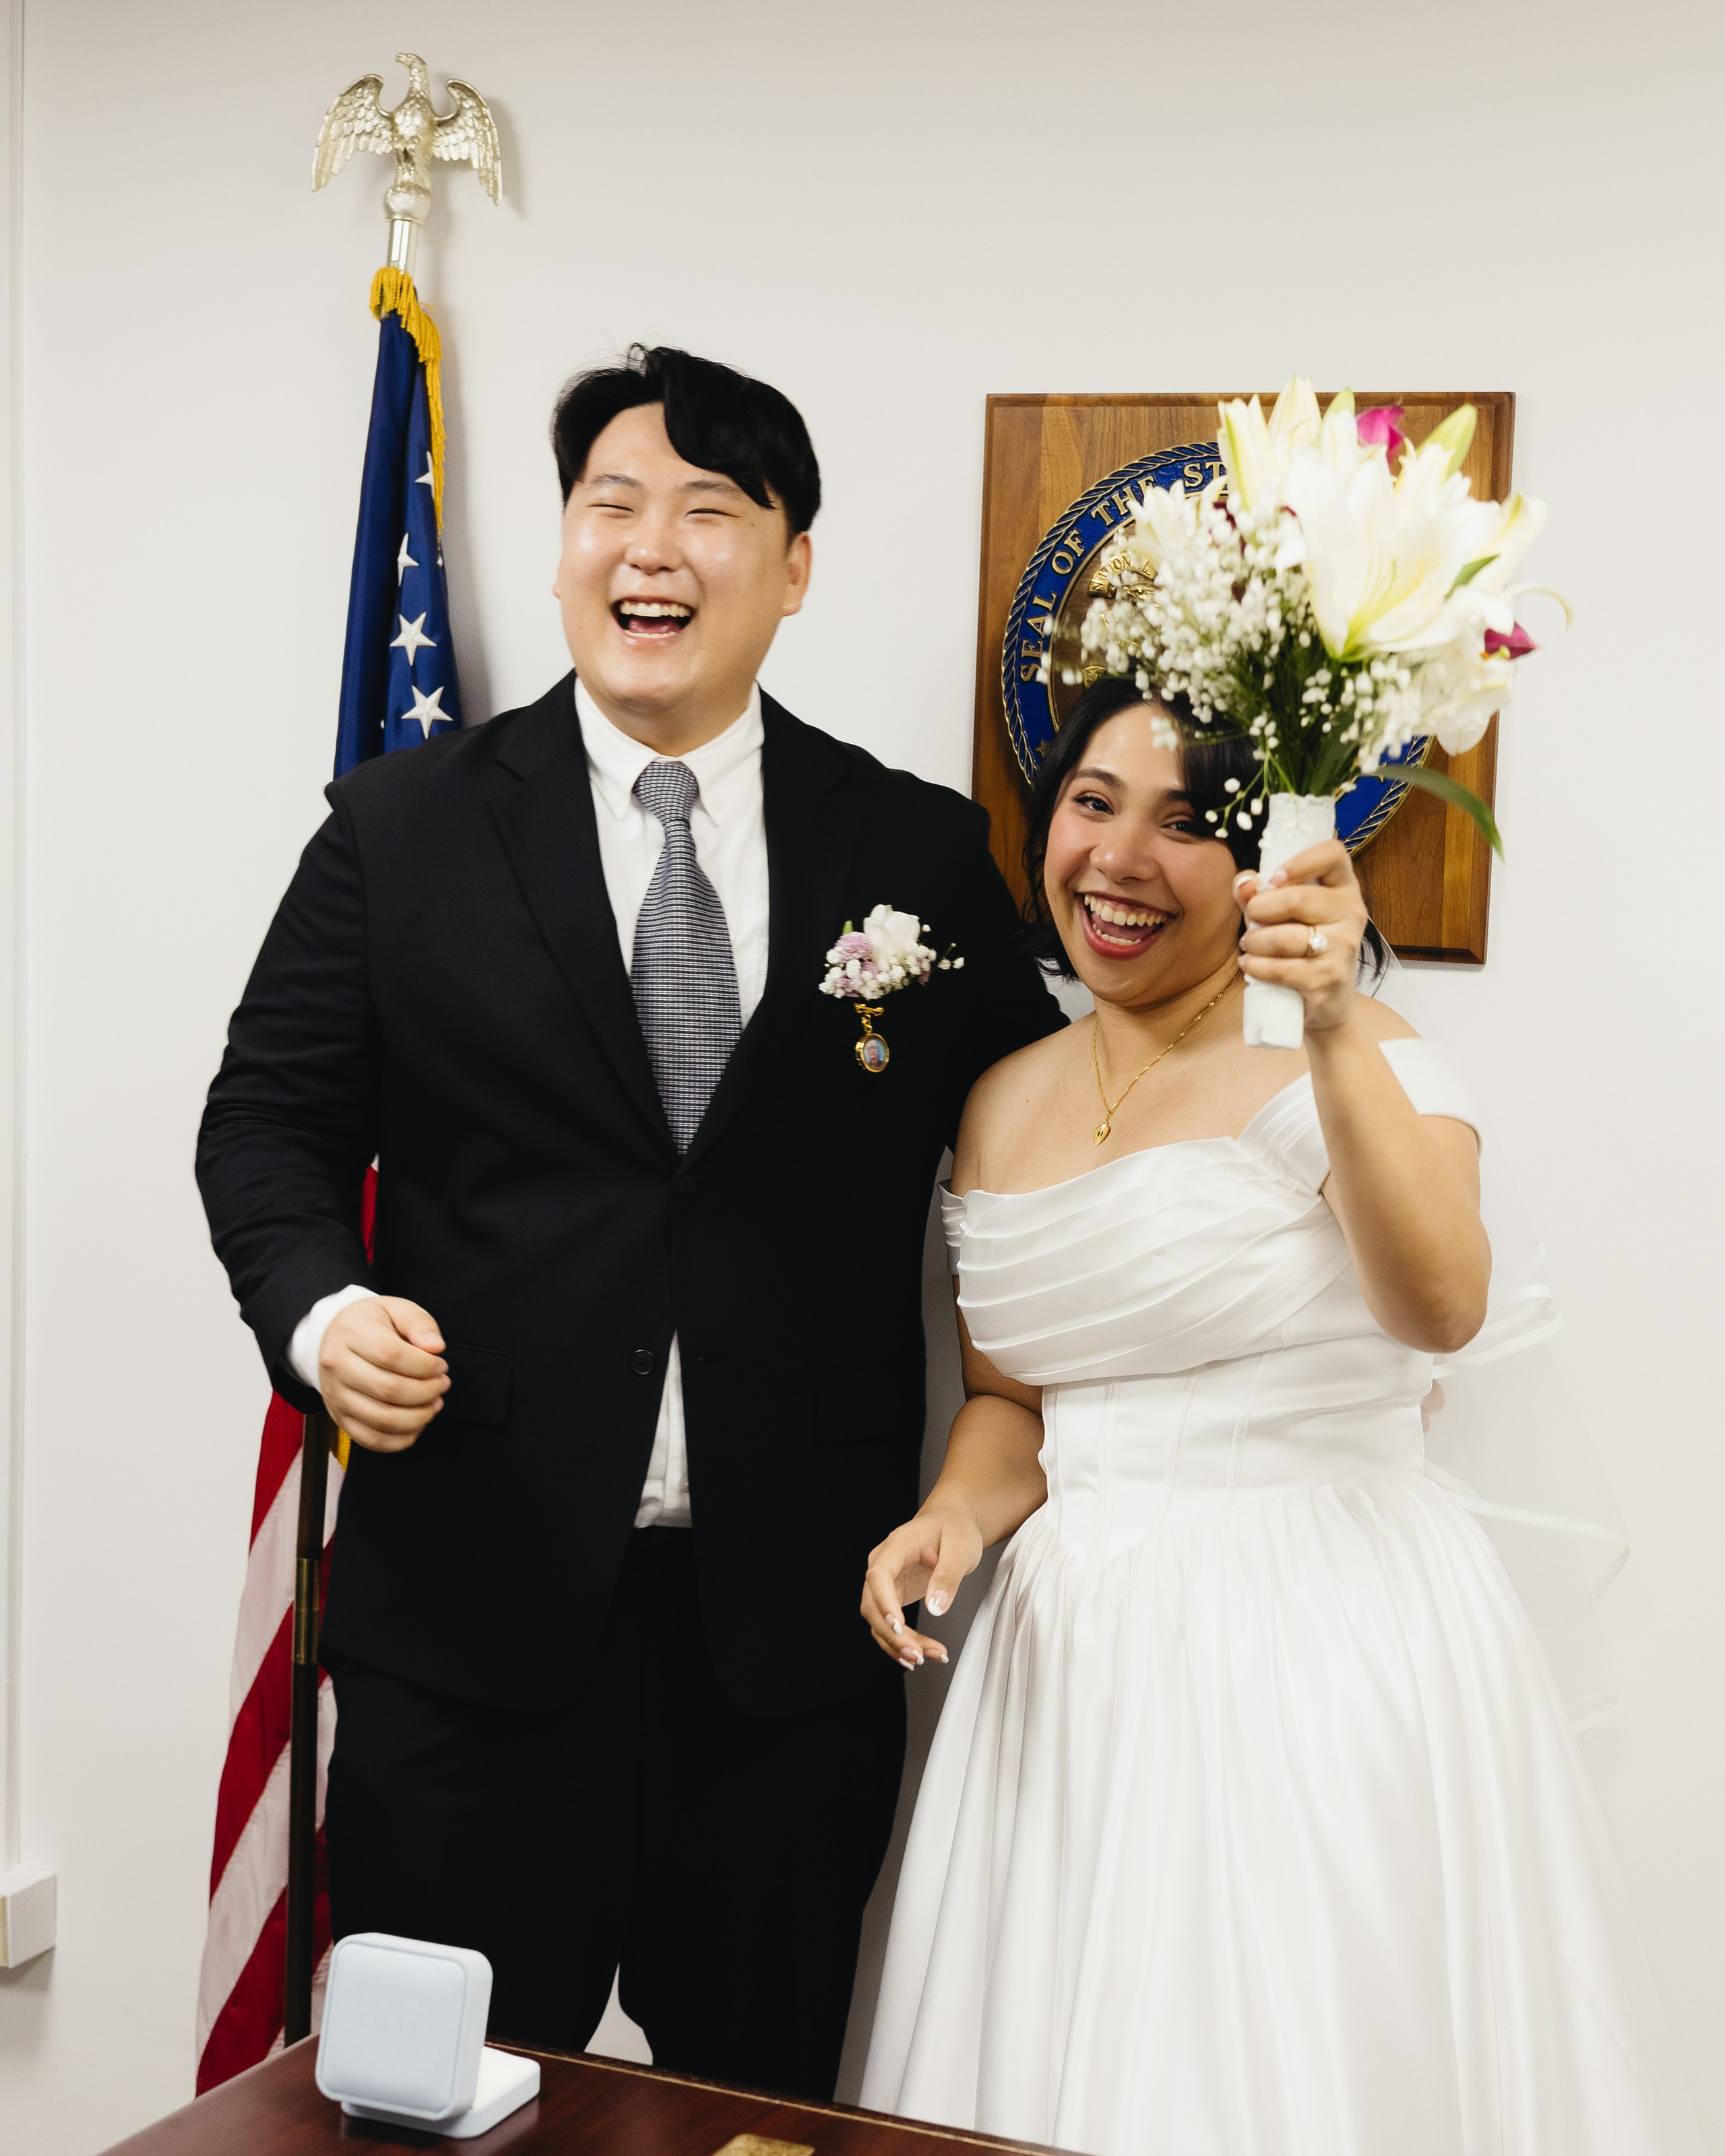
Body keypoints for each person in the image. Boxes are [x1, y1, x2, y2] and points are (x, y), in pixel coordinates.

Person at [195, 344, 1063, 2099]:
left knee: (756, 2114)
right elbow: (266, 1124)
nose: (650, 546)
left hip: (786, 1650)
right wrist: (323, 1315)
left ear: (793, 566)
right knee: (427, 2111)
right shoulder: (399, 833)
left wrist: (1290, 1041)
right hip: (473, 1635)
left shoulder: (911, 850)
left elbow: (1051, 1127)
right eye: (612, 503)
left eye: (707, 509)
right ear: (563, 546)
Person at [858, 676, 1698, 2153]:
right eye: (1092, 804)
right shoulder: (999, 1099)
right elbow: (1012, 1398)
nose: (1120, 858)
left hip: (1312, 1631)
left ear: (1261, 861)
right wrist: (950, 1516)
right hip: (1069, 1666)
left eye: (1184, 824)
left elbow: (1442, 1305)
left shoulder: (1362, 1052)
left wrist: (1327, 1026)